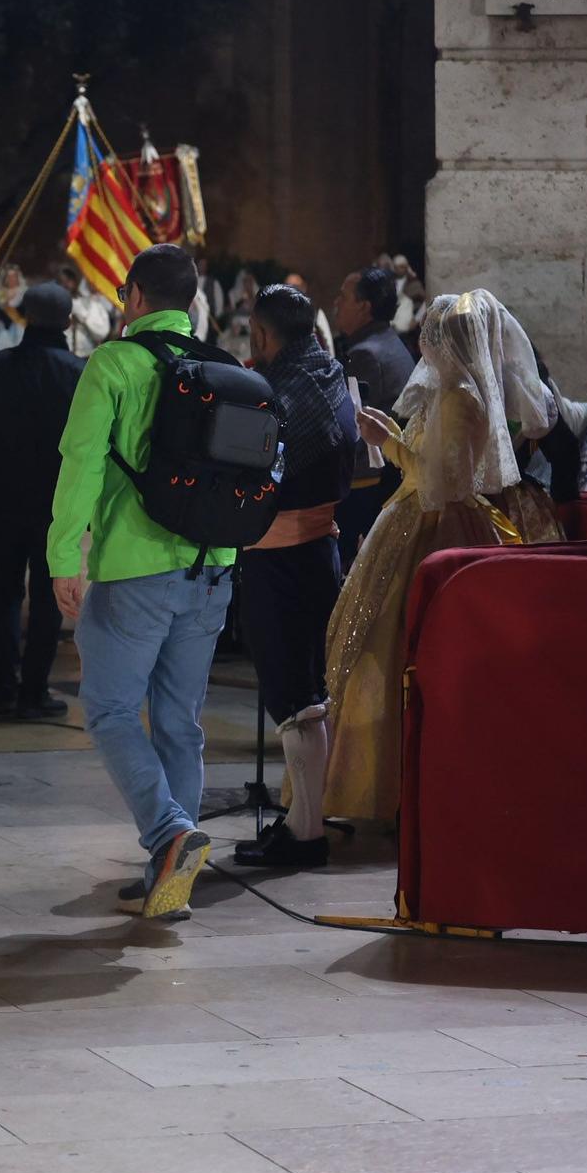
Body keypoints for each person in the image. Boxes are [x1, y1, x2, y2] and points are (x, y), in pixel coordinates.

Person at [324, 289, 564, 824]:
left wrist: (390, 444)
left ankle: (407, 787)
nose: (422, 342)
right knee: (371, 647)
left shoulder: (462, 396)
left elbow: (446, 483)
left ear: (445, 341)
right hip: (414, 518)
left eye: (429, 333)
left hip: (439, 529)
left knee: (398, 649)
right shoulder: (445, 391)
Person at [48, 243, 231, 922]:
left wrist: (64, 555)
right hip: (214, 569)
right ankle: (168, 880)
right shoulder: (223, 366)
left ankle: (168, 833)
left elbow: (81, 464)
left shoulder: (114, 364)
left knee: (111, 710)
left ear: (132, 297)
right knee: (180, 724)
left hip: (134, 568)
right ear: (191, 302)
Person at [232, 285, 359, 868]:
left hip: (278, 559)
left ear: (260, 335)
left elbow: (245, 479)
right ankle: (303, 824)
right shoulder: (333, 377)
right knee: (309, 695)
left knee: (293, 698)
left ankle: (306, 836)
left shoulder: (270, 398)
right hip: (320, 551)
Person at [0, 282, 83, 719]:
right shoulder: (80, 374)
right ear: (67, 321)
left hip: (3, 500)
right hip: (58, 505)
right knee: (48, 593)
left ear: (24, 314)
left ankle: (2, 687)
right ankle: (35, 689)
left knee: (4, 591)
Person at [333, 266, 417, 565]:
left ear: (364, 306)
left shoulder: (366, 354)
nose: (336, 303)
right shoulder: (390, 341)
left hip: (368, 485)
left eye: (343, 297)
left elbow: (350, 425)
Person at [59, 263, 114, 358]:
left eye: (68, 280)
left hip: (86, 357)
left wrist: (83, 317)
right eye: (61, 282)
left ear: (75, 281)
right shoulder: (54, 305)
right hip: (63, 356)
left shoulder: (93, 304)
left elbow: (101, 333)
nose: (65, 285)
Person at [282, 273, 336, 354]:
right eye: (287, 287)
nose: (291, 291)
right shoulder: (278, 316)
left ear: (304, 288)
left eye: (295, 287)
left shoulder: (315, 314)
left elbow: (326, 344)